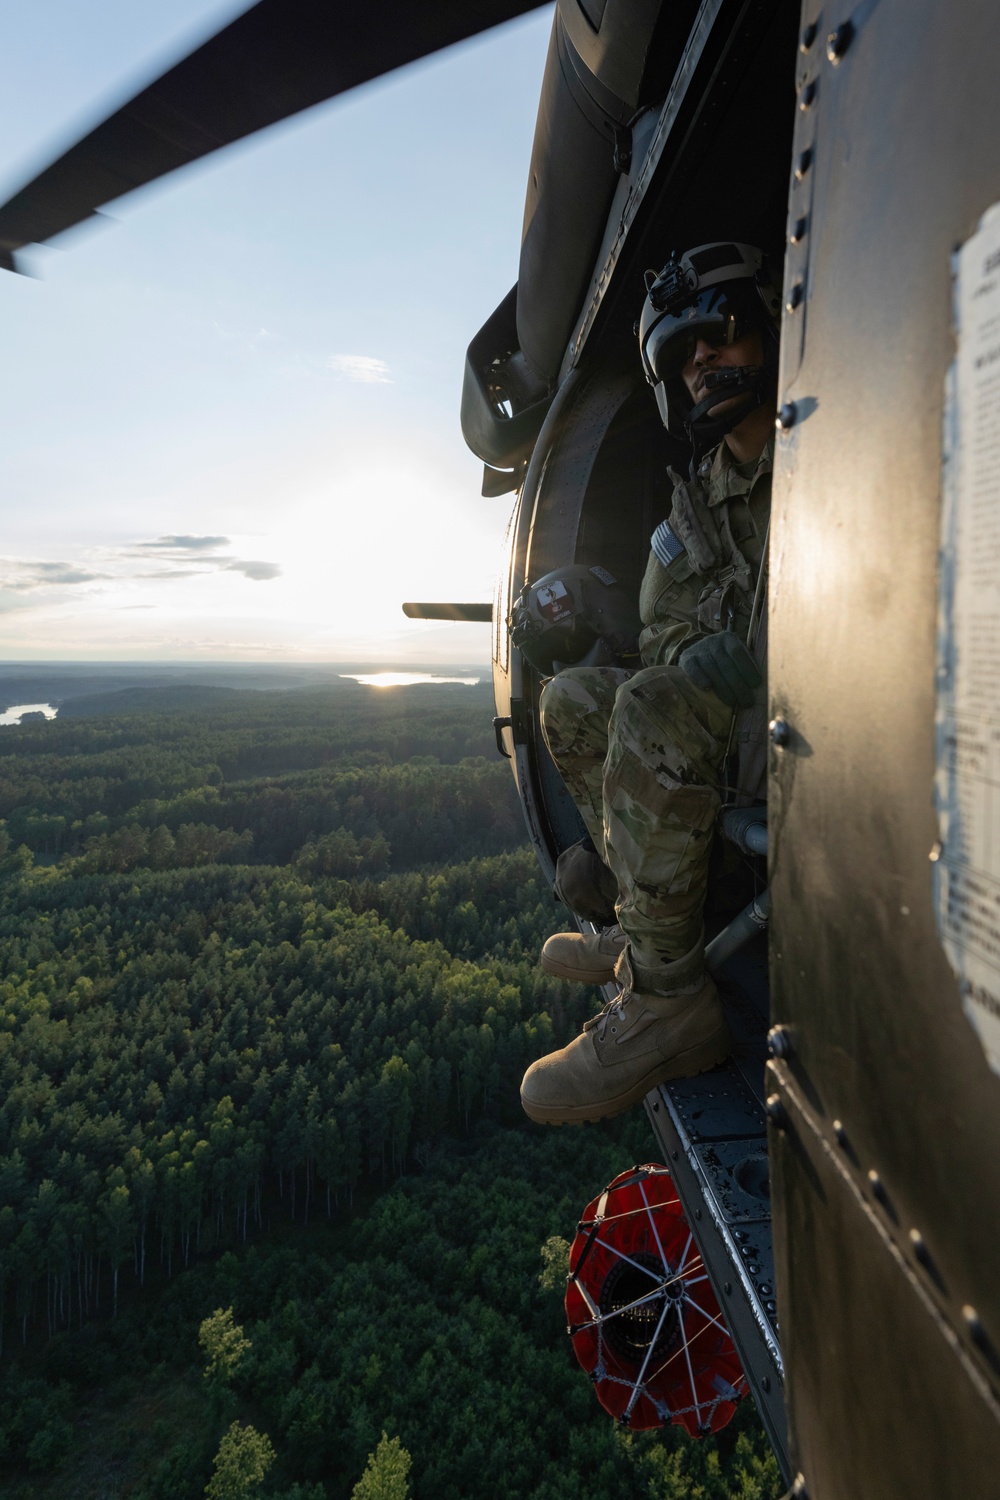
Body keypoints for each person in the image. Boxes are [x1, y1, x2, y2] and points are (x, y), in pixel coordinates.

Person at [520, 242, 779, 1125]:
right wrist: (693, 657)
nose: (704, 360)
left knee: (651, 704)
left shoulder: (833, 452)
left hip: (821, 729)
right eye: (683, 352)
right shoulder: (699, 497)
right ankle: (647, 925)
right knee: (574, 703)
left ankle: (671, 1004)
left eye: (723, 332)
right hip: (737, 726)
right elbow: (663, 623)